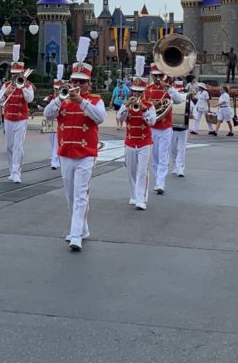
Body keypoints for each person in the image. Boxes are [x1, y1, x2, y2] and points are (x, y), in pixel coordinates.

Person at [43, 38, 106, 252]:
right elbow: (47, 115)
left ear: (89, 83)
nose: (77, 86)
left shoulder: (95, 100)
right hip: (65, 153)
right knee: (70, 194)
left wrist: (82, 101)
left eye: (82, 82)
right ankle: (82, 227)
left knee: (80, 194)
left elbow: (99, 118)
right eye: (74, 82)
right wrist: (59, 99)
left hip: (86, 153)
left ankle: (76, 234)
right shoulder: (62, 99)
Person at [117, 60, 156, 210]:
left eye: (140, 91)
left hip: (144, 142)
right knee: (131, 171)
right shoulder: (127, 103)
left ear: (144, 92)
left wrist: (144, 109)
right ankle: (133, 195)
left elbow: (152, 122)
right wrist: (125, 106)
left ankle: (141, 199)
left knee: (142, 172)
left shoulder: (149, 106)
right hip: (130, 142)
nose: (137, 94)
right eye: (135, 91)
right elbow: (120, 118)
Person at [0, 45, 34, 183]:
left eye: (17, 75)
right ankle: (12, 169)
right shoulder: (6, 86)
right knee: (9, 146)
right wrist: (5, 94)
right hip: (8, 118)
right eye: (13, 74)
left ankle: (17, 171)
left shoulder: (27, 86)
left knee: (18, 145)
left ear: (22, 75)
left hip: (21, 119)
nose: (15, 77)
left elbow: (30, 99)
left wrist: (23, 87)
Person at [144, 65, 185, 195]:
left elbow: (179, 100)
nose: (158, 78)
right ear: (152, 75)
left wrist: (168, 88)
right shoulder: (147, 89)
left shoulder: (168, 89)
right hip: (152, 127)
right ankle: (158, 178)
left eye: (160, 75)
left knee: (163, 155)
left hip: (166, 126)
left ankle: (160, 182)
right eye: (155, 75)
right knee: (154, 156)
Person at [46, 65, 65, 169]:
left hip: (58, 122)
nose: (57, 91)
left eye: (59, 89)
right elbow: (42, 106)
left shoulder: (64, 98)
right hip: (50, 122)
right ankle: (55, 157)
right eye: (56, 89)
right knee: (52, 141)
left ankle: (55, 160)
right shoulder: (51, 97)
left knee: (57, 142)